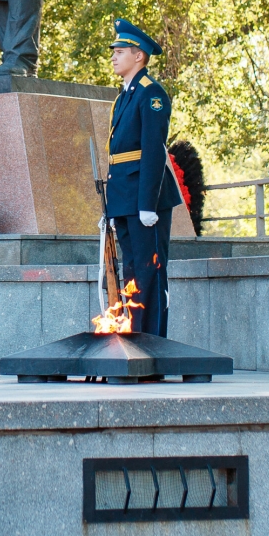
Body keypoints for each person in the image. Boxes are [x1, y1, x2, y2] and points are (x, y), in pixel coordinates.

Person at [103, 19, 183, 337]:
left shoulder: (152, 94)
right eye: (114, 51)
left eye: (120, 51)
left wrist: (147, 204)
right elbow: (117, 157)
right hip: (125, 196)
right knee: (132, 271)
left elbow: (152, 151)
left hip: (143, 198)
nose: (114, 57)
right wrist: (110, 209)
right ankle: (135, 336)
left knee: (149, 272)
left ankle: (151, 344)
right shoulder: (124, 97)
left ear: (139, 56)